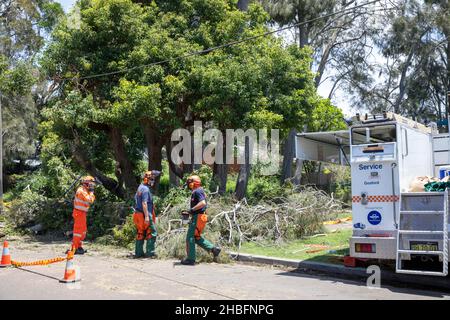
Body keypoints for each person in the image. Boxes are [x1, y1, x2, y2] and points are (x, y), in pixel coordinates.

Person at [181, 175, 221, 265]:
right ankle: (213, 249)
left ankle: (190, 259)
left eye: (189, 182)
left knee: (190, 237)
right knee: (196, 237)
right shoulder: (198, 191)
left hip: (198, 217)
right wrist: (190, 212)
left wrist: (191, 210)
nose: (188, 184)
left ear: (194, 183)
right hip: (200, 217)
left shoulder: (198, 191)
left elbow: (203, 203)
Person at [133, 170, 160, 258]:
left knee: (141, 233)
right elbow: (144, 203)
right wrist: (147, 216)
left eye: (153, 179)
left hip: (138, 214)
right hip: (144, 214)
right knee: (151, 232)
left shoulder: (140, 187)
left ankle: (138, 253)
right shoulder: (145, 189)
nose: (153, 181)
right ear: (146, 179)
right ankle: (150, 253)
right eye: (151, 179)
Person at [67, 176, 96, 255]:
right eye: (91, 184)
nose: (92, 186)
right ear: (86, 183)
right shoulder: (81, 191)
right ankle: (74, 248)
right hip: (79, 213)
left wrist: (90, 192)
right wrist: (92, 192)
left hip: (82, 213)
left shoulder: (85, 191)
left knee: (82, 232)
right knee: (78, 232)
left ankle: (79, 246)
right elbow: (90, 200)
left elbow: (91, 200)